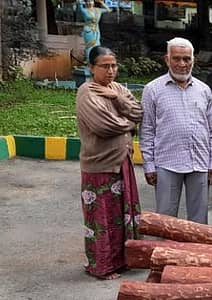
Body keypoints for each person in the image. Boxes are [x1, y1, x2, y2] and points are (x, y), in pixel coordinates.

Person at [75, 46, 144, 280]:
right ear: (91, 68)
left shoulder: (118, 89)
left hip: (121, 162)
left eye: (113, 65)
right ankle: (102, 266)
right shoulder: (87, 92)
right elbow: (104, 126)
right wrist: (130, 125)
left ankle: (124, 260)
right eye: (105, 66)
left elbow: (138, 111)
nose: (110, 71)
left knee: (123, 216)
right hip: (100, 166)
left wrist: (118, 100)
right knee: (101, 218)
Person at [140, 37, 212, 224]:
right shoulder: (153, 89)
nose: (182, 64)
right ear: (167, 59)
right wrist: (149, 165)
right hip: (167, 163)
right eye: (176, 59)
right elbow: (147, 129)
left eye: (187, 59)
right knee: (165, 222)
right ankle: (166, 253)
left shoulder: (204, 90)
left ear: (193, 60)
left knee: (199, 222)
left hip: (200, 163)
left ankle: (195, 254)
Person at [78, 0, 110, 64]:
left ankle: (96, 62)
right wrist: (80, 2)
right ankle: (89, 63)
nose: (89, 3)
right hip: (88, 31)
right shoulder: (84, 10)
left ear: (94, 2)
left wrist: (101, 2)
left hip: (97, 31)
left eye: (91, 1)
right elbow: (79, 3)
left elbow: (108, 10)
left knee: (97, 46)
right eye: (87, 1)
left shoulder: (98, 10)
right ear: (85, 2)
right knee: (89, 47)